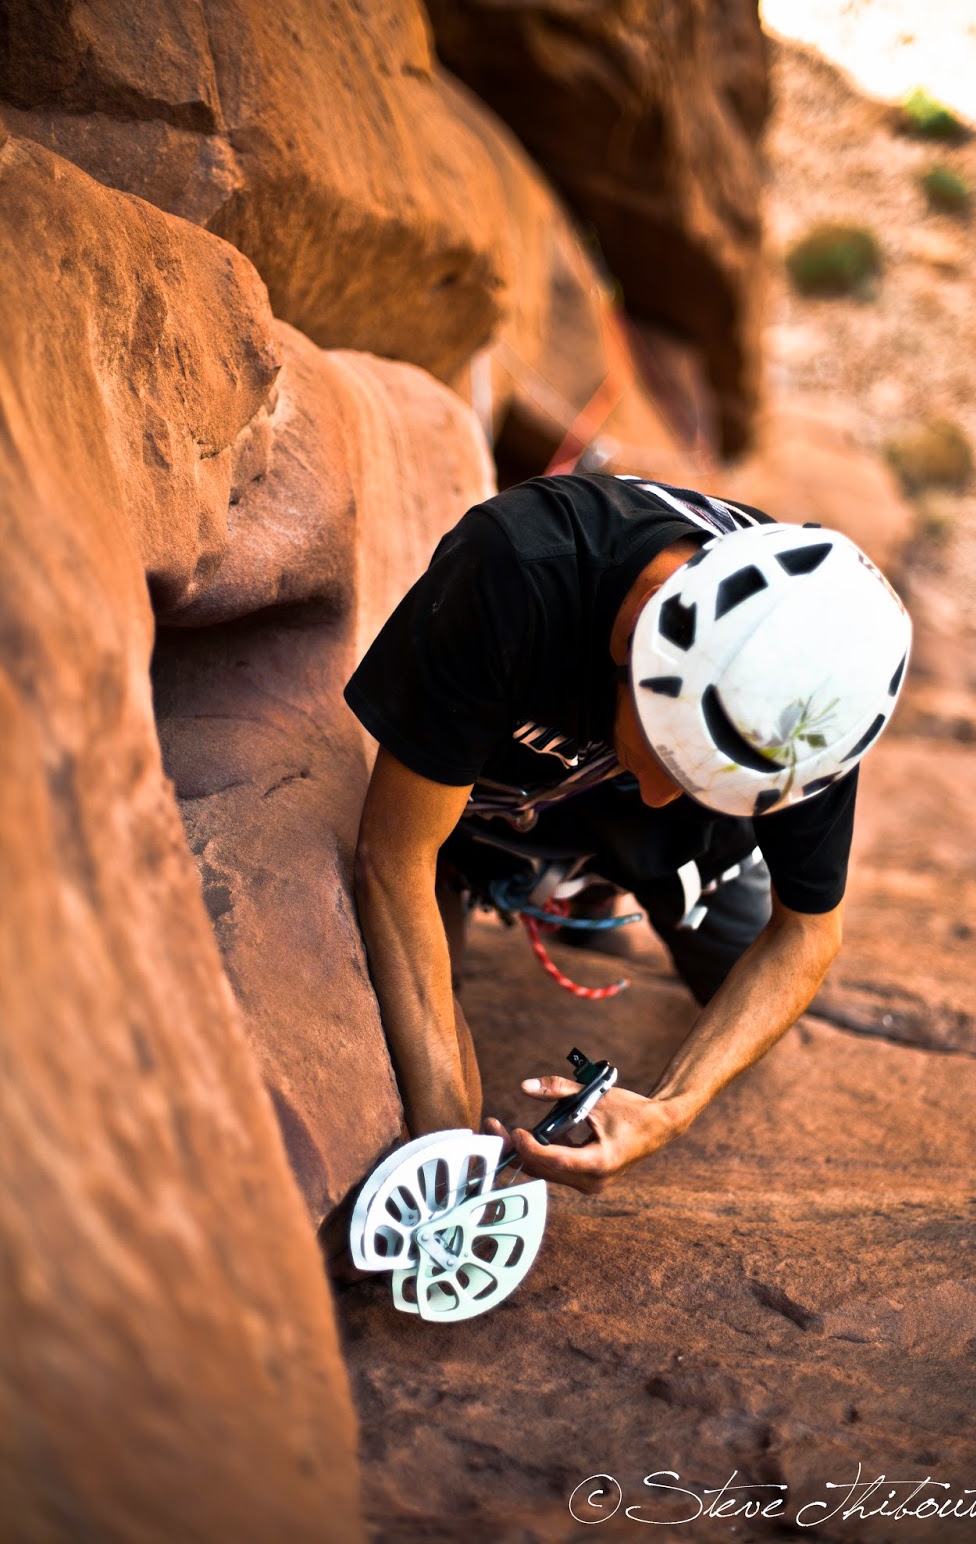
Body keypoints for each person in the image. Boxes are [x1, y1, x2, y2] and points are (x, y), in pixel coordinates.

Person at [345, 471, 910, 1195]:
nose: (658, 793)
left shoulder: (801, 687)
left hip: (671, 836)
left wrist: (670, 1110)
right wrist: (447, 1147)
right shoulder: (516, 568)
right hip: (491, 794)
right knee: (414, 984)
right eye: (668, 758)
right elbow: (394, 858)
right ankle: (514, 872)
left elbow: (806, 934)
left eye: (700, 782)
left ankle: (608, 880)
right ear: (642, 633)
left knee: (741, 992)